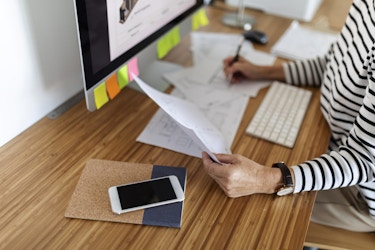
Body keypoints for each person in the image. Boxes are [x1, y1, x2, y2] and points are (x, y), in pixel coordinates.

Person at [202, 0, 375, 232]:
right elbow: (333, 64)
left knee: (232, 213)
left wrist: (264, 179)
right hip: (334, 144)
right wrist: (263, 72)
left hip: (359, 193)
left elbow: (364, 160)